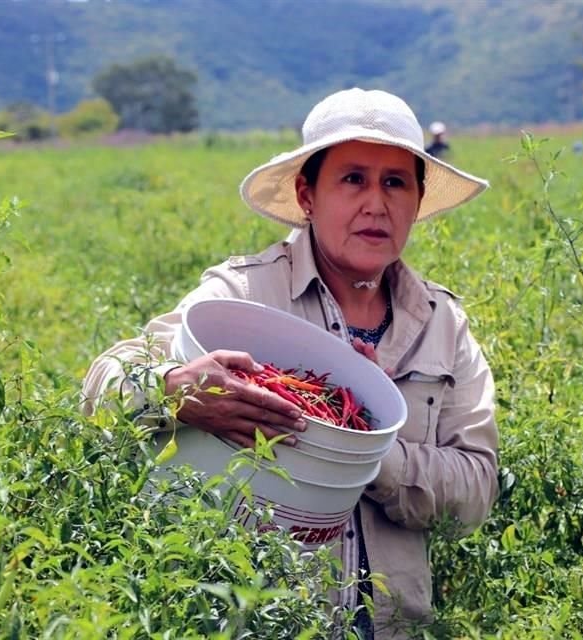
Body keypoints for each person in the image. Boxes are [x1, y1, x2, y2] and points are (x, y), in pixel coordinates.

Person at [81, 87, 499, 639]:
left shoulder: (442, 323)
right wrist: (176, 387)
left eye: (395, 182)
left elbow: (475, 489)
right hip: (254, 624)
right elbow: (102, 387)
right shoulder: (245, 293)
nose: (377, 203)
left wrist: (366, 448)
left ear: (417, 201)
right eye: (353, 179)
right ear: (307, 194)